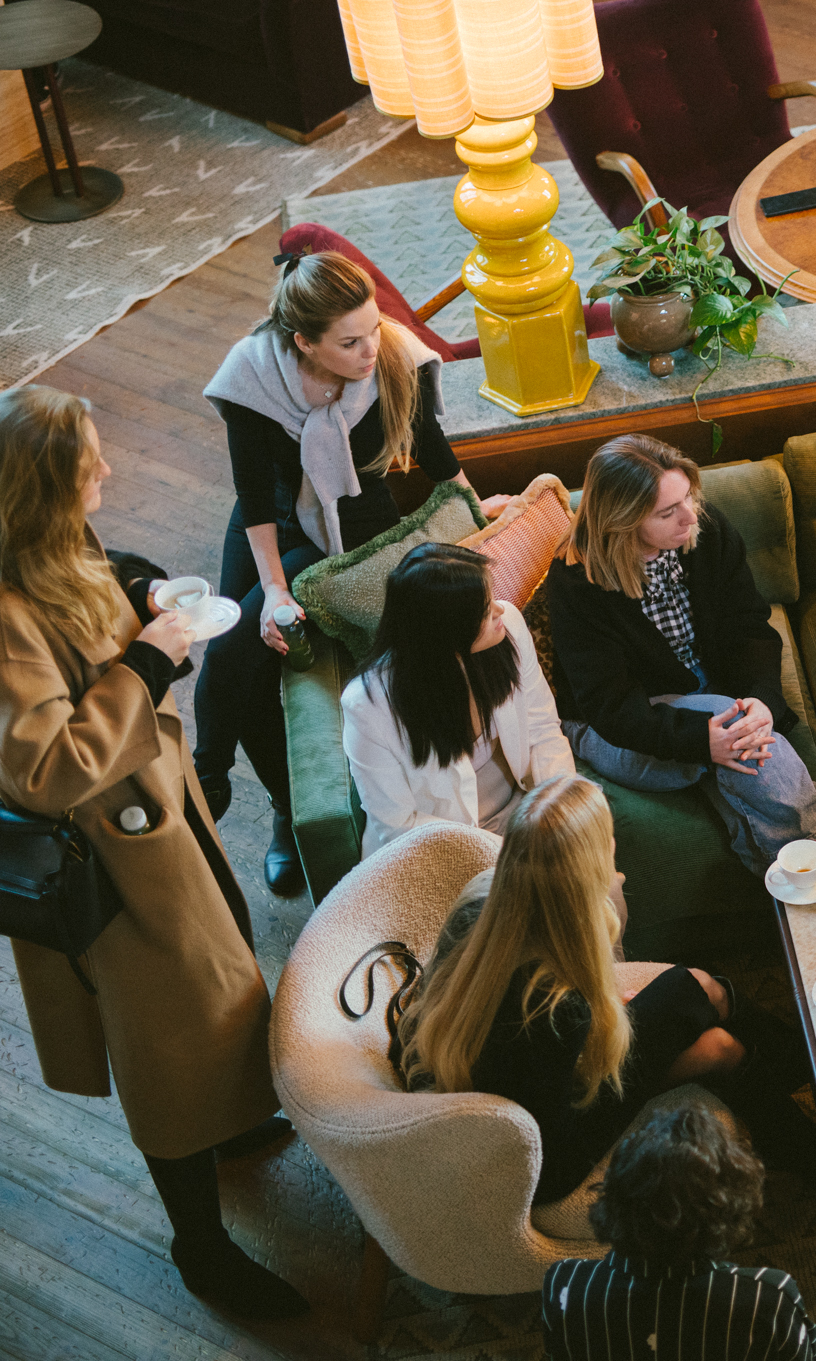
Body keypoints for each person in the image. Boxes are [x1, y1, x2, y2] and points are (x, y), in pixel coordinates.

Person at [0, 386, 307, 1317]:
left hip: (160, 817)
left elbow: (91, 609)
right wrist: (147, 660)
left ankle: (240, 1115)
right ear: (46, 486)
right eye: (90, 460)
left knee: (219, 971)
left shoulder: (52, 547)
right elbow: (47, 767)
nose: (108, 468)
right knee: (166, 1038)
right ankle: (199, 1243)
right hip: (112, 857)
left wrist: (137, 597)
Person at [195, 250, 507, 894]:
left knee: (254, 643)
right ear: (302, 341)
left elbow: (434, 452)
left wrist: (477, 516)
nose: (372, 348)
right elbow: (254, 496)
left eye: (373, 328)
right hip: (275, 520)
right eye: (349, 341)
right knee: (236, 645)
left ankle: (213, 785)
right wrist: (275, 586)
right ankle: (242, 791)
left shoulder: (393, 355)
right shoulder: (252, 379)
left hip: (353, 518)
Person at [398, 774, 816, 1203]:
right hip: (548, 1151)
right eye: (608, 836)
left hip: (524, 1081)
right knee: (719, 1045)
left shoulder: (481, 905)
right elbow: (564, 1114)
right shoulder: (553, 1004)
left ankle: (802, 1071)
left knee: (699, 987)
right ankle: (813, 1117)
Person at [544, 436, 816, 871]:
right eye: (668, 511)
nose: (689, 515)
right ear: (623, 520)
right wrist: (701, 739)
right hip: (617, 725)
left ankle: (790, 894)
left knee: (741, 748)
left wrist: (763, 699)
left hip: (704, 691)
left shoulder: (706, 531)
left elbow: (748, 627)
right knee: (739, 733)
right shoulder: (577, 585)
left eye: (688, 498)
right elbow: (610, 707)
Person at [341, 543, 574, 858]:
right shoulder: (368, 706)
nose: (500, 610)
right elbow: (397, 824)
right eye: (484, 609)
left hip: (519, 813)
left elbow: (542, 726)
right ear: (444, 631)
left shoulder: (510, 629)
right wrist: (508, 856)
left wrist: (561, 808)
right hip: (440, 847)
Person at [541, 1104, 816, 1361]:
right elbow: (806, 1354)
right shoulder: (768, 1297)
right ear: (728, 1212)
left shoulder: (565, 1283)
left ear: (614, 1198)